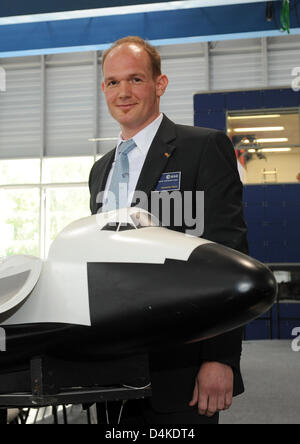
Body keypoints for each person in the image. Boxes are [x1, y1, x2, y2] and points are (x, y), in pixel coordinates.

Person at [89, 36, 249, 424]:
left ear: (159, 84)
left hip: (182, 365)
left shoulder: (203, 148)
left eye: (136, 79)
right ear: (103, 89)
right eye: (113, 82)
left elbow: (228, 253)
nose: (123, 92)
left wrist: (219, 356)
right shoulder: (99, 171)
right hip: (114, 367)